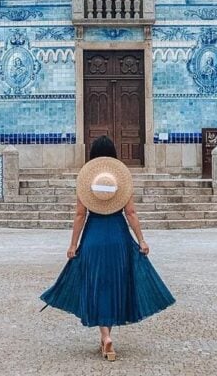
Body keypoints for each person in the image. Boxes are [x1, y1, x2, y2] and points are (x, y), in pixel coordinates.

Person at [40, 135, 174, 361]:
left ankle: (104, 336)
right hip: (118, 237)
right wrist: (142, 240)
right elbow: (131, 213)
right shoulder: (120, 182)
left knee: (98, 284)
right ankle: (107, 337)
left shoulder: (87, 183)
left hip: (94, 237)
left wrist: (73, 244)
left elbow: (80, 215)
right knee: (113, 285)